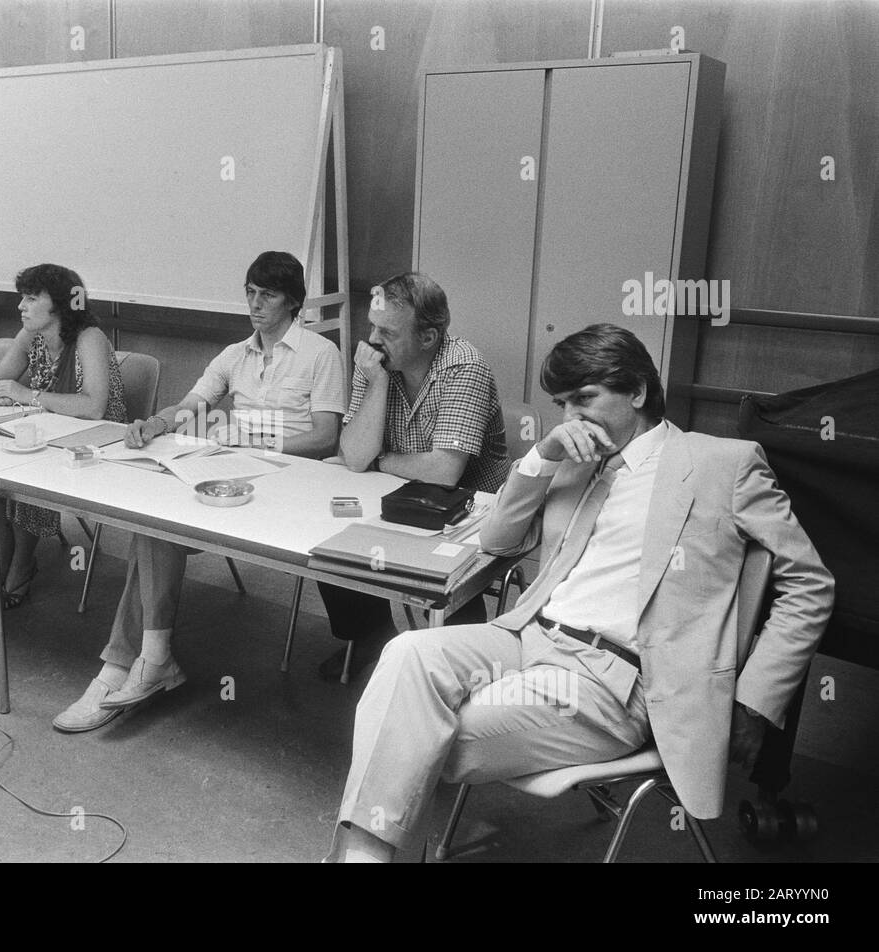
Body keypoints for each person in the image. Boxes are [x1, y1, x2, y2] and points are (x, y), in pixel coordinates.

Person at [325, 323, 834, 862]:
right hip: (527, 638)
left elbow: (810, 584)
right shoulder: (572, 460)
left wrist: (754, 703)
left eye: (586, 398)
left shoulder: (721, 464)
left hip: (612, 679)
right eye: (562, 404)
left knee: (416, 732)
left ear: (637, 392)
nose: (572, 418)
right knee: (404, 654)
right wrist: (540, 458)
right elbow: (498, 540)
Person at [53, 250, 346, 733]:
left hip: (293, 481)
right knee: (154, 520)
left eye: (267, 295)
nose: (255, 304)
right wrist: (156, 422)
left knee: (155, 527)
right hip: (232, 474)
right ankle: (144, 660)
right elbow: (191, 405)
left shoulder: (320, 354)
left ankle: (130, 666)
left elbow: (325, 436)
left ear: (294, 302)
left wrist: (255, 439)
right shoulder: (235, 354)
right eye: (250, 293)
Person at [317, 272, 508, 680]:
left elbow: (444, 471)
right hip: (398, 498)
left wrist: (379, 459)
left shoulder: (464, 367)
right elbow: (353, 456)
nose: (373, 339)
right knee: (328, 534)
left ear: (428, 337)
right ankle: (372, 637)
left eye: (387, 330)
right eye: (372, 325)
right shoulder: (376, 362)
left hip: (469, 512)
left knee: (440, 575)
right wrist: (379, 383)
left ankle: (459, 664)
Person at [0, 264, 126, 608]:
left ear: (61, 305)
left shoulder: (89, 337)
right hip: (48, 432)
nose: (21, 306)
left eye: (32, 298)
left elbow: (95, 407)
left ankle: (20, 568)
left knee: (26, 479)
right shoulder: (30, 335)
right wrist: (1, 393)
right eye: (22, 297)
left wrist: (27, 396)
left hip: (97, 445)